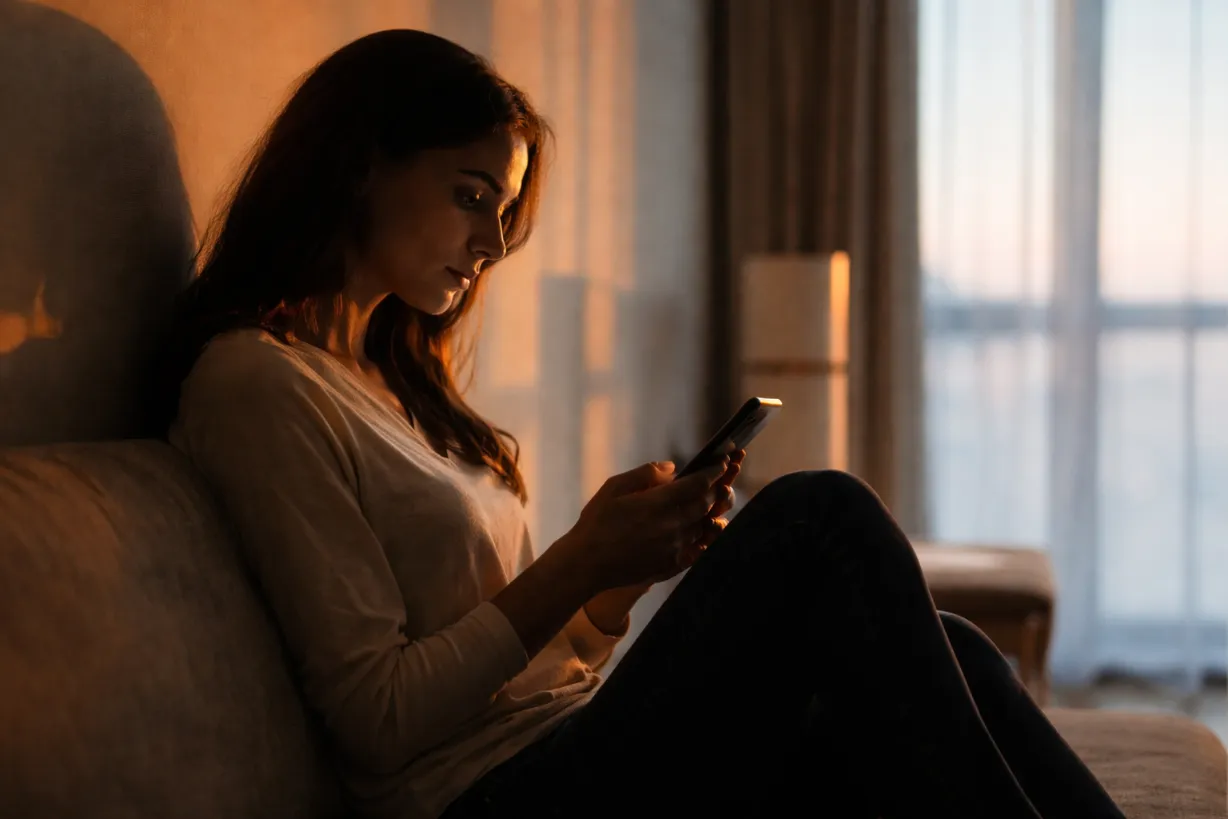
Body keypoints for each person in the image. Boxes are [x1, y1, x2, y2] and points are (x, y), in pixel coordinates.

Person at [163, 29, 1126, 819]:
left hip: (565, 740)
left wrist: (615, 581)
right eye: (471, 197)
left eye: (502, 210)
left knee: (952, 644)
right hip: (490, 797)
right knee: (817, 518)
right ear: (363, 163)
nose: (493, 243)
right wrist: (578, 557)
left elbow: (519, 664)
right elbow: (378, 718)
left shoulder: (393, 381)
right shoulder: (256, 383)